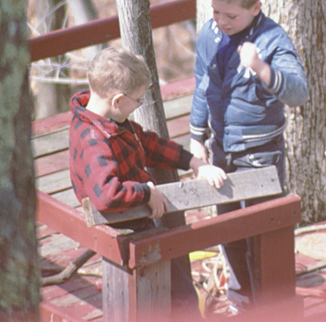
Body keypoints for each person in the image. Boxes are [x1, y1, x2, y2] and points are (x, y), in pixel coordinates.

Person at [68, 47, 227, 315]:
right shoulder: (95, 140)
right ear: (118, 100)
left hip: (136, 220)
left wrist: (193, 162)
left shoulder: (112, 120)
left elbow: (148, 144)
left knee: (178, 284)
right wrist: (145, 193)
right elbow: (107, 195)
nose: (139, 105)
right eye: (138, 99)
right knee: (183, 300)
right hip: (124, 230)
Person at [189, 0, 309, 311]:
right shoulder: (211, 34)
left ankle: (271, 306)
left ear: (255, 8)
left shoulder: (272, 40)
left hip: (260, 154)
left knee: (263, 233)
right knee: (229, 231)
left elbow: (299, 93)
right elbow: (202, 85)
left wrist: (261, 68)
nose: (221, 22)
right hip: (221, 150)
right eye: (216, 12)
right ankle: (243, 302)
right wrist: (197, 138)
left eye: (231, 16)